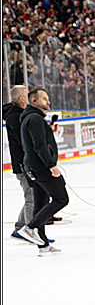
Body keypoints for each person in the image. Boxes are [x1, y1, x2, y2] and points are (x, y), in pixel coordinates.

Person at [16, 88, 65, 256]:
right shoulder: (35, 119)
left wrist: (49, 131)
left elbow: (38, 140)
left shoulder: (33, 118)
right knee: (61, 198)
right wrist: (51, 165)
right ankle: (30, 228)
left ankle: (42, 245)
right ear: (34, 101)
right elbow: (39, 146)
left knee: (41, 204)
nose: (48, 102)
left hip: (33, 167)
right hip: (41, 168)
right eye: (45, 99)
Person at [4, 85, 35, 242]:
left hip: (25, 162)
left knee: (32, 195)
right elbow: (24, 142)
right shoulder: (15, 117)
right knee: (31, 196)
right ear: (22, 99)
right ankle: (29, 230)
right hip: (23, 163)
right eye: (28, 95)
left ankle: (20, 227)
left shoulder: (19, 114)